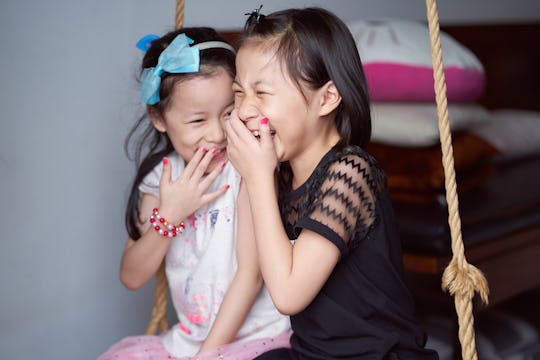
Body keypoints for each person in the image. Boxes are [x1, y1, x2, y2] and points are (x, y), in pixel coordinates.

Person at [224, 7, 439, 359]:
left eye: (261, 93)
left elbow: (288, 295)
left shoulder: (350, 172)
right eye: (238, 92)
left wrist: (258, 177)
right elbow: (251, 267)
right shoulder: (274, 175)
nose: (245, 109)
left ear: (327, 98)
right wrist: (253, 175)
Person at [98, 27, 290, 360]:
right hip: (187, 343)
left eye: (228, 112)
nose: (217, 133)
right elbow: (131, 276)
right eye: (198, 120)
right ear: (159, 118)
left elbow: (251, 276)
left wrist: (206, 357)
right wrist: (170, 215)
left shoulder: (247, 166)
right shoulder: (163, 178)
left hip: (255, 340)